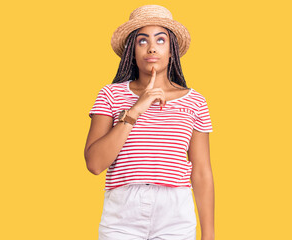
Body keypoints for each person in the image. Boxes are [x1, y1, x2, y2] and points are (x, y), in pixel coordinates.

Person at [84, 5, 215, 240]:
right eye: (142, 41)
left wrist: (209, 235)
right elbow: (94, 164)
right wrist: (136, 110)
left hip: (175, 212)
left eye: (161, 40)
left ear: (172, 50)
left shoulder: (195, 101)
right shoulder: (110, 95)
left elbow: (202, 171)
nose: (152, 47)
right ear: (132, 52)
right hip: (122, 214)